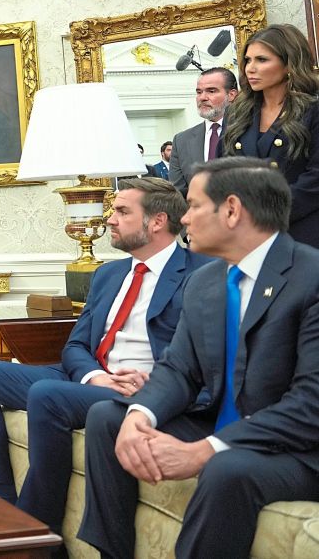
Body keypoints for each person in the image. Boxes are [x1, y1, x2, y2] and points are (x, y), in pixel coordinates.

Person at [79, 157, 319, 559]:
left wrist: (205, 450)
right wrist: (140, 416)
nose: (184, 218)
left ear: (231, 210)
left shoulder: (309, 278)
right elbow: (179, 369)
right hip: (223, 424)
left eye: (193, 206)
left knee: (226, 469)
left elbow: (311, 405)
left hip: (297, 447)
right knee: (109, 418)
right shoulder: (205, 281)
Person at [0, 177, 207, 536]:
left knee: (47, 394)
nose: (109, 220)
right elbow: (74, 346)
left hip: (138, 391)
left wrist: (155, 383)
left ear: (157, 221)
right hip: (94, 380)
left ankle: (38, 529)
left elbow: (196, 356)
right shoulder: (109, 273)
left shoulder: (198, 274)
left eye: (122, 211)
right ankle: (3, 502)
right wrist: (93, 376)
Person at [220, 24, 319, 248]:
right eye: (247, 60)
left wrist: (265, 212)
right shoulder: (236, 112)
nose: (250, 68)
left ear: (288, 64)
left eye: (262, 60)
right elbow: (221, 168)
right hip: (246, 236)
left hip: (301, 234)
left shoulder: (313, 110)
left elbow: (315, 178)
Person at [170, 67, 239, 197]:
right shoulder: (181, 140)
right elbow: (178, 195)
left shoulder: (248, 130)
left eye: (211, 91)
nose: (202, 97)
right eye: (199, 92)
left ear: (231, 95)